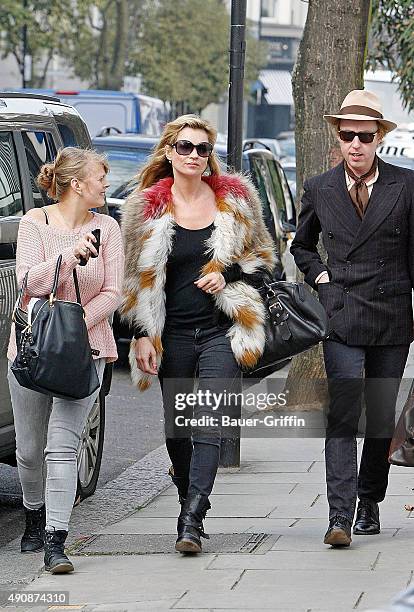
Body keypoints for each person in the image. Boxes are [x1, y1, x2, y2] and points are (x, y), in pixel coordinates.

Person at [121, 114, 276, 553]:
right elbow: (133, 279)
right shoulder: (144, 208)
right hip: (172, 336)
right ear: (169, 152)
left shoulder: (236, 201)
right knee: (178, 431)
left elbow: (264, 259)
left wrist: (227, 273)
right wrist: (141, 335)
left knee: (209, 421)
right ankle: (189, 497)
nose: (193, 155)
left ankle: (191, 518)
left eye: (202, 149)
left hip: (220, 332)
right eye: (185, 147)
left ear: (211, 157)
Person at [291, 90, 414, 548]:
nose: (356, 144)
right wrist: (321, 277)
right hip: (341, 312)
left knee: (380, 416)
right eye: (348, 136)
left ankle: (369, 502)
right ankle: (338, 514)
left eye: (365, 135)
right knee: (343, 414)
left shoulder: (406, 185)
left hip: (392, 315)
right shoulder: (320, 188)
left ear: (379, 137)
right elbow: (301, 245)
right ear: (337, 139)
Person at [7, 147, 124, 573]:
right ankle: (34, 513)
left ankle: (56, 541)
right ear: (77, 184)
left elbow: (114, 292)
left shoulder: (108, 228)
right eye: (100, 178)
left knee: (63, 447)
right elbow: (29, 283)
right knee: (29, 451)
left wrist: (77, 327)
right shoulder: (32, 224)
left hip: (86, 352)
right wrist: (66, 256)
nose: (106, 185)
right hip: (33, 349)